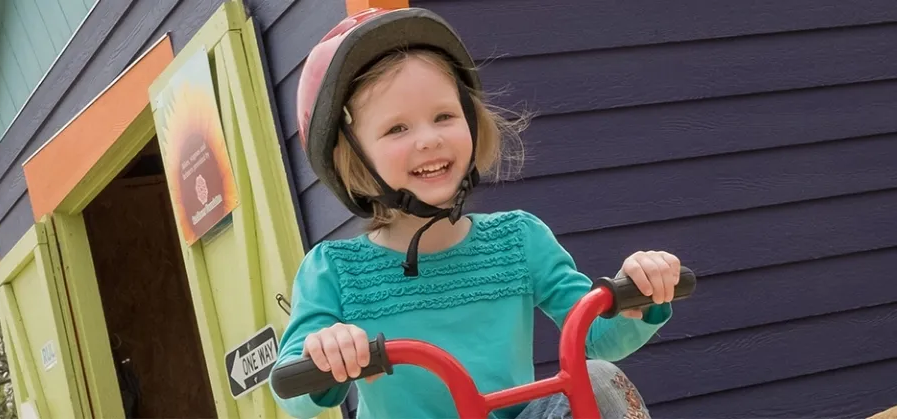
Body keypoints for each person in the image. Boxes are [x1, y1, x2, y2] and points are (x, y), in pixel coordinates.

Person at [273, 7, 683, 419]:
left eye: (444, 116)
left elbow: (595, 337)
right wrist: (327, 352)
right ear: (353, 158)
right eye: (397, 128)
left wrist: (637, 294)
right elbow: (291, 394)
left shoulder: (518, 239)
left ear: (470, 120)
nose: (429, 139)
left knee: (597, 381)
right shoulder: (335, 272)